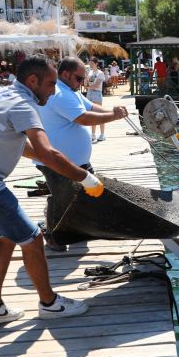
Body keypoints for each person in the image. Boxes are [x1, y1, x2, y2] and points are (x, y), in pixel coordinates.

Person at [0, 54, 104, 326]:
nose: (53, 91)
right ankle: (49, 304)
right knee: (32, 237)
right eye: (51, 84)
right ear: (32, 80)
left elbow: (27, 147)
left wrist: (46, 157)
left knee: (8, 236)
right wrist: (85, 178)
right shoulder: (23, 104)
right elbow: (47, 152)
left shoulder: (3, 94)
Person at [37, 56, 128, 250]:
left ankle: (77, 227)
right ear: (66, 74)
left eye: (83, 79)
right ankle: (51, 234)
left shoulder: (70, 90)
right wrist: (113, 116)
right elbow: (82, 118)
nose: (82, 83)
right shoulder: (59, 94)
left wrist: (112, 110)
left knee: (88, 193)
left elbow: (89, 106)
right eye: (79, 78)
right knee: (63, 197)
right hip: (55, 160)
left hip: (75, 160)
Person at [85, 56, 106, 142]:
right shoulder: (89, 72)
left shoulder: (100, 73)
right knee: (91, 114)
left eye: (92, 63)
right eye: (90, 62)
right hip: (89, 93)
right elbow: (85, 84)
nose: (90, 64)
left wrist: (87, 86)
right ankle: (93, 134)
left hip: (96, 93)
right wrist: (86, 77)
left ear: (96, 63)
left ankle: (102, 134)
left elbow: (97, 85)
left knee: (99, 114)